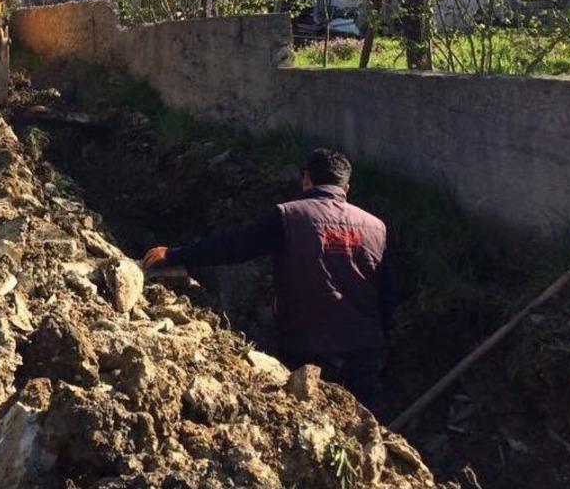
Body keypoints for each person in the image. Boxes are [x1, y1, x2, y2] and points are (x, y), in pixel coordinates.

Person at [143, 148, 391, 409]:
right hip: (364, 352)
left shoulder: (289, 218)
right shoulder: (377, 228)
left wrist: (175, 254)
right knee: (365, 433)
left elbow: (234, 247)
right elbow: (386, 295)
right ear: (347, 187)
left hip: (308, 350)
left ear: (307, 179)